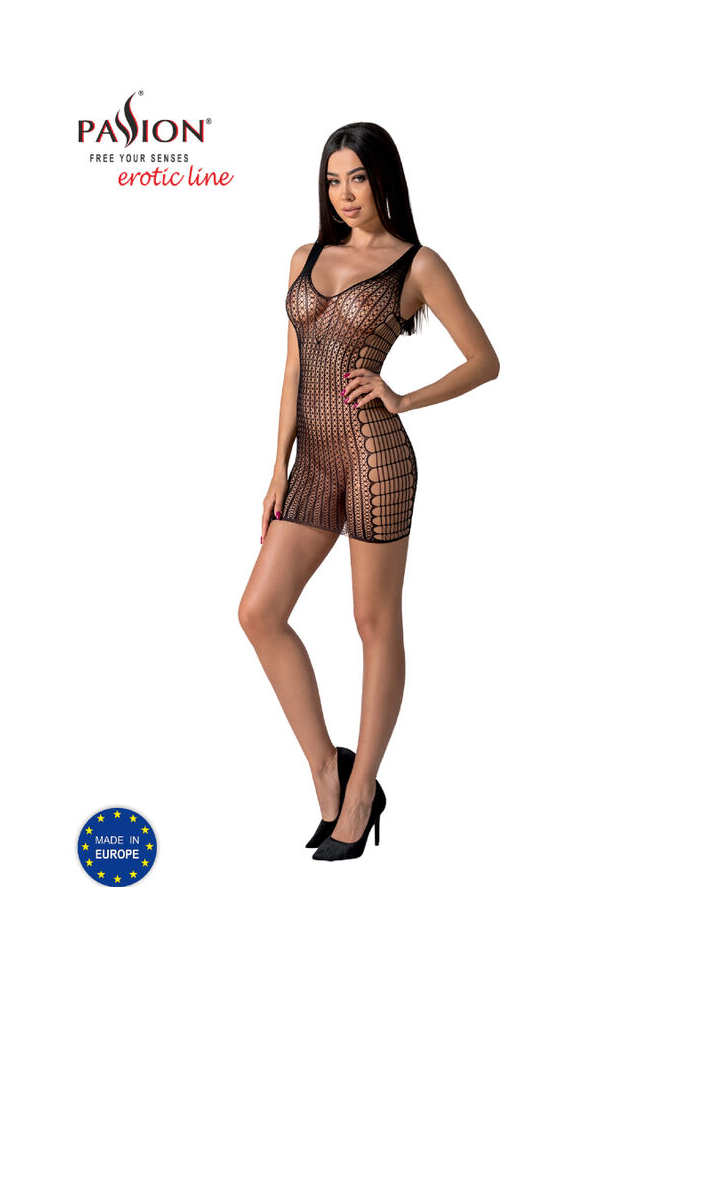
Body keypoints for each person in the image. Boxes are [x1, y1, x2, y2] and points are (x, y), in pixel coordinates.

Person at [237, 122, 500, 860]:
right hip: (313, 463)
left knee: (373, 622)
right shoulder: (305, 257)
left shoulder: (417, 265)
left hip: (375, 458)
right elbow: (294, 369)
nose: (345, 194)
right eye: (333, 180)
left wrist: (403, 397)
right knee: (259, 613)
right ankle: (328, 768)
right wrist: (276, 468)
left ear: (384, 179)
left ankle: (361, 796)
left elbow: (485, 360)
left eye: (357, 177)